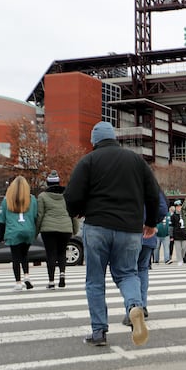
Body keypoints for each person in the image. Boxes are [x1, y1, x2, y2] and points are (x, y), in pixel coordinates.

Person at [64, 121, 160, 347]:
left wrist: (77, 212)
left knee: (95, 280)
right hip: (130, 229)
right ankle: (134, 306)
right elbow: (153, 194)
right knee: (128, 274)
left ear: (94, 141)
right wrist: (151, 222)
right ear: (114, 138)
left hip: (97, 226)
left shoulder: (88, 160)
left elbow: (71, 195)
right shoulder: (136, 160)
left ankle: (99, 332)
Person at [124, 192, 168, 326]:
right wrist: (151, 222)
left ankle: (133, 307)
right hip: (149, 235)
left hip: (131, 233)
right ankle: (143, 305)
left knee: (129, 273)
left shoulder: (128, 183)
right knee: (143, 270)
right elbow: (162, 208)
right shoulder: (152, 186)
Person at [36, 170, 79, 289]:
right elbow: (72, 213)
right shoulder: (67, 196)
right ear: (59, 182)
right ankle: (62, 277)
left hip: (48, 229)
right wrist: (75, 229)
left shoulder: (42, 196)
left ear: (48, 183)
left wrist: (36, 230)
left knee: (51, 254)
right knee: (62, 252)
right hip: (65, 228)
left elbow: (40, 215)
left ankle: (51, 281)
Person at [0, 176, 38, 291]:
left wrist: (1, 236)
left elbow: (2, 221)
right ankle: (27, 276)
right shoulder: (32, 199)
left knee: (16, 257)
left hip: (13, 231)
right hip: (28, 230)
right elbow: (35, 216)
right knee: (25, 254)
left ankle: (18, 282)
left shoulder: (7, 200)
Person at [170, 200, 186, 266]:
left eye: (179, 206)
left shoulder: (185, 214)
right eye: (177, 206)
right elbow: (171, 226)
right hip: (176, 234)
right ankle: (179, 260)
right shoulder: (173, 216)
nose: (178, 207)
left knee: (184, 247)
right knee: (178, 249)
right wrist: (171, 236)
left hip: (184, 233)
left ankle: (183, 257)